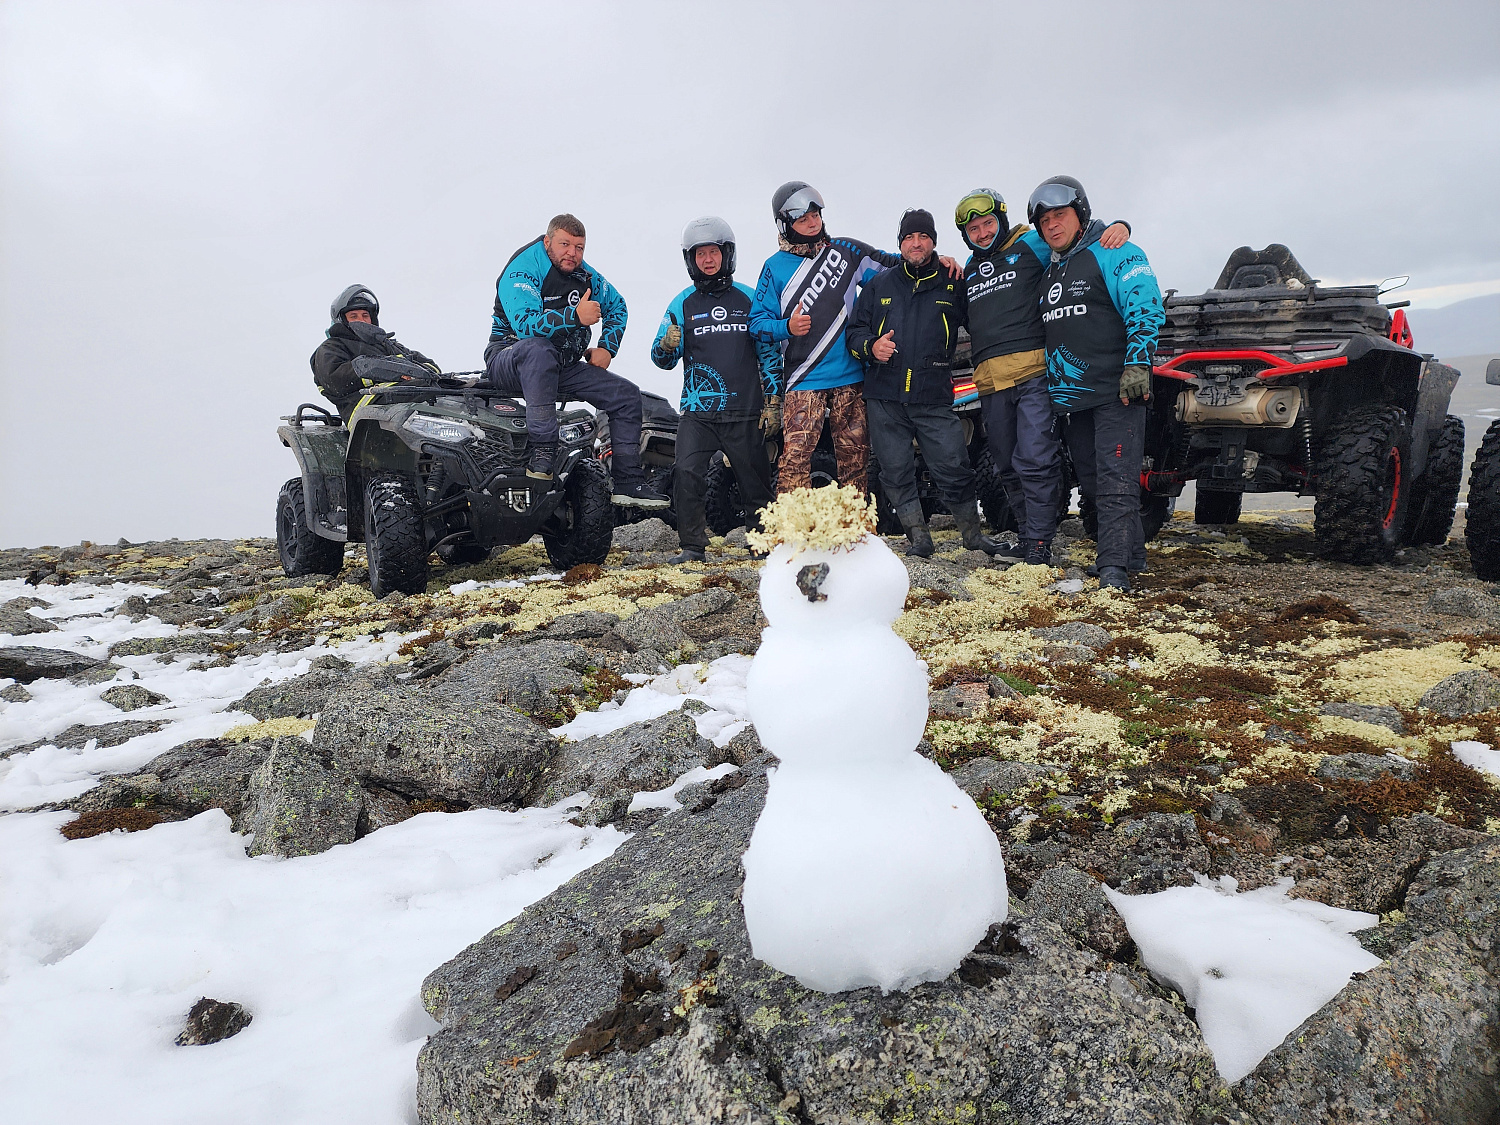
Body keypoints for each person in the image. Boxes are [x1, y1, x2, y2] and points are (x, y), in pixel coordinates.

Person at [749, 182, 963, 497]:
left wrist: (938, 259)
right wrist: (786, 327)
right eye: (803, 219)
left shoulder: (846, 251)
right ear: (785, 225)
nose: (813, 223)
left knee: (856, 464)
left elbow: (898, 266)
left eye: (815, 215)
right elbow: (756, 324)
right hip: (803, 379)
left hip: (852, 376)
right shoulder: (774, 268)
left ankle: (857, 525)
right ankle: (792, 526)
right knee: (794, 462)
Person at [955, 189, 1130, 565]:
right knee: (1005, 463)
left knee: (1035, 458)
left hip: (1034, 373)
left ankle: (1039, 542)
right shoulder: (968, 268)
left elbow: (1075, 239)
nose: (983, 233)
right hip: (989, 381)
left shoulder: (1031, 242)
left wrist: (1117, 226)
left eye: (988, 224)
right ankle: (1026, 535)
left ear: (1002, 219)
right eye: (974, 230)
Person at [1030, 176, 1164, 591]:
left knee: (1115, 482)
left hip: (1117, 390)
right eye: (1044, 221)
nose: (1052, 225)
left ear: (1081, 213)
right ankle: (1133, 556)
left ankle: (1113, 570)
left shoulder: (1115, 250)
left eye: (1060, 215)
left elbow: (1146, 305)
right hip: (1071, 399)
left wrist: (1138, 364)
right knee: (1091, 483)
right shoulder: (1051, 267)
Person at [483, 214, 667, 507]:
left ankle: (629, 482)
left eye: (579, 247)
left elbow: (618, 306)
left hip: (560, 365)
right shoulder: (522, 269)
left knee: (626, 396)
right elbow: (526, 327)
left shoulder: (586, 276)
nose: (572, 253)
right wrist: (575, 316)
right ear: (548, 242)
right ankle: (543, 453)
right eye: (564, 244)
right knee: (538, 349)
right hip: (509, 357)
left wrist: (607, 348)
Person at [848, 209, 1000, 558]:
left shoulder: (953, 281)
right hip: (885, 397)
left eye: (923, 237)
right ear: (900, 243)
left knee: (954, 465)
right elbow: (854, 333)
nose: (916, 243)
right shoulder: (879, 285)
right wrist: (871, 347)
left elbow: (981, 324)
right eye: (909, 238)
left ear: (933, 241)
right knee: (895, 471)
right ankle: (919, 538)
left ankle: (973, 537)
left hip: (933, 394)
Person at [651, 216, 782, 564]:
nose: (707, 260)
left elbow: (770, 355)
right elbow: (661, 360)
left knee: (755, 482)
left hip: (746, 411)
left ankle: (761, 546)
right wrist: (666, 345)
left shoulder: (751, 299)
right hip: (698, 414)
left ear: (727, 254)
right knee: (686, 473)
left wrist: (774, 402)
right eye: (700, 254)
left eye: (713, 252)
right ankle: (693, 547)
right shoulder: (681, 303)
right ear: (690, 259)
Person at [311, 285, 440, 422]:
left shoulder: (388, 345)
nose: (361, 320)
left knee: (450, 387)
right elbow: (334, 380)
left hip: (402, 404)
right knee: (425, 390)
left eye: (365, 315)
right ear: (342, 320)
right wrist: (390, 372)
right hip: (367, 412)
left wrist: (414, 374)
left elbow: (431, 367)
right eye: (354, 316)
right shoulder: (331, 347)